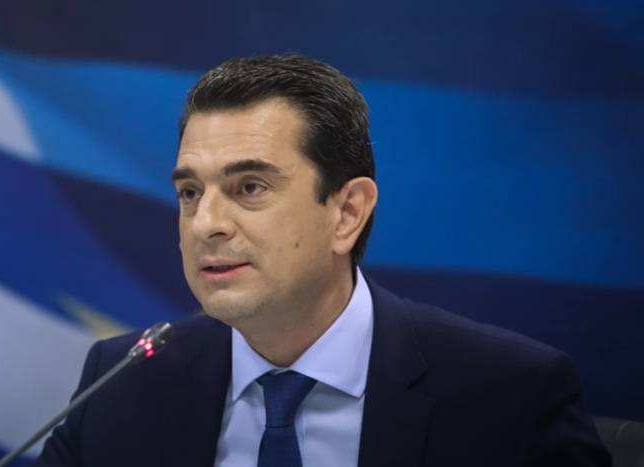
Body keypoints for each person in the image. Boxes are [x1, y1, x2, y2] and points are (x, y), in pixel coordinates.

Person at [33, 55, 610, 466]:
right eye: (189, 192)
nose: (205, 223)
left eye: (250, 187)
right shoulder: (121, 383)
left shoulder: (510, 395)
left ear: (347, 213)